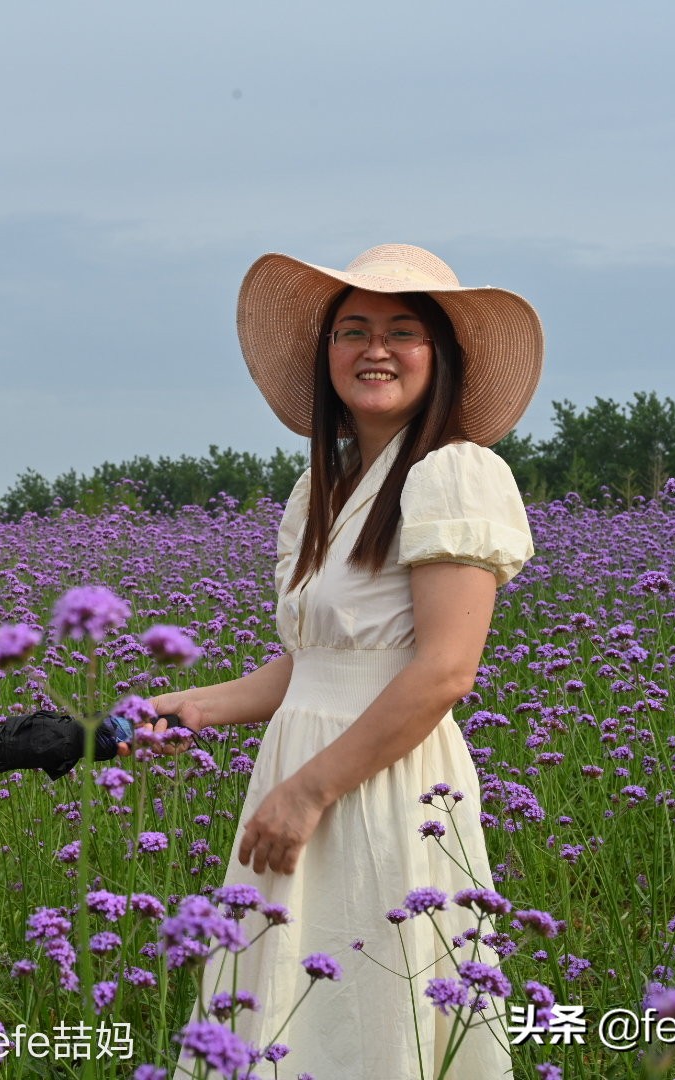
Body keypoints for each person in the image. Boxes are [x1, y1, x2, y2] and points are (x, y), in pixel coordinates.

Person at [146, 245, 541, 1078]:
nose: (376, 349)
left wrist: (311, 790)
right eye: (353, 330)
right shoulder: (321, 486)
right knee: (292, 1012)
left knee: (372, 1007)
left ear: (443, 357)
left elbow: (443, 672)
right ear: (326, 355)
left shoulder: (454, 473)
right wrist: (194, 705)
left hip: (385, 787)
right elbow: (317, 663)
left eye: (404, 332)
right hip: (300, 769)